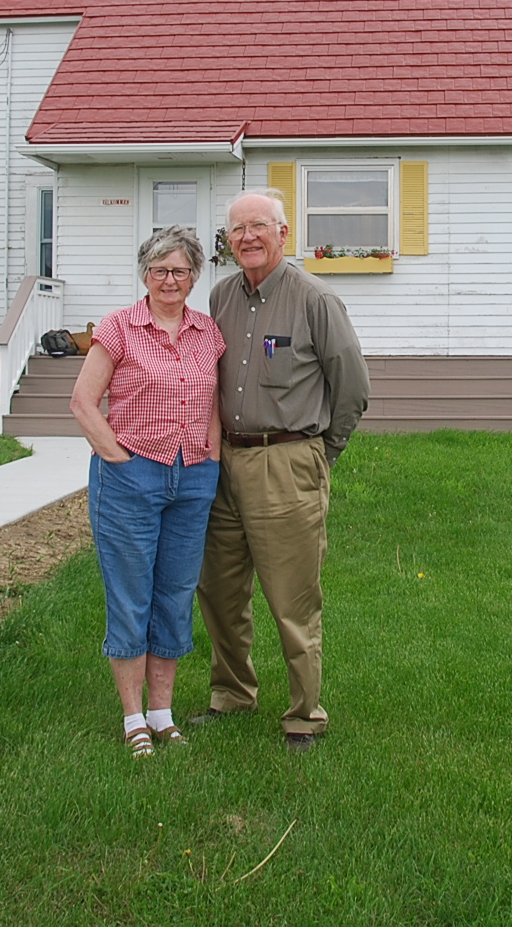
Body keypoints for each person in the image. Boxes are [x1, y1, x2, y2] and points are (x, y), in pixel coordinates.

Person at [192, 190, 369, 752]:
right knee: (219, 592)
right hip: (223, 465)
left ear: (282, 233)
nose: (247, 237)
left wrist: (320, 454)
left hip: (286, 462)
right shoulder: (219, 298)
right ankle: (232, 694)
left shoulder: (315, 299)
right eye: (237, 229)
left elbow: (353, 389)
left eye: (259, 227)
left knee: (293, 599)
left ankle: (304, 714)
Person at [70, 225, 226, 758]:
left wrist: (213, 458)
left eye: (180, 271)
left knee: (175, 596)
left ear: (194, 277)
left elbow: (213, 403)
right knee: (131, 596)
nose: (169, 280)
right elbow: (83, 403)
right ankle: (133, 716)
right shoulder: (119, 328)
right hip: (132, 477)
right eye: (159, 270)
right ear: (145, 274)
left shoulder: (209, 333)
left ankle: (163, 711)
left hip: (194, 478)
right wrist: (117, 456)